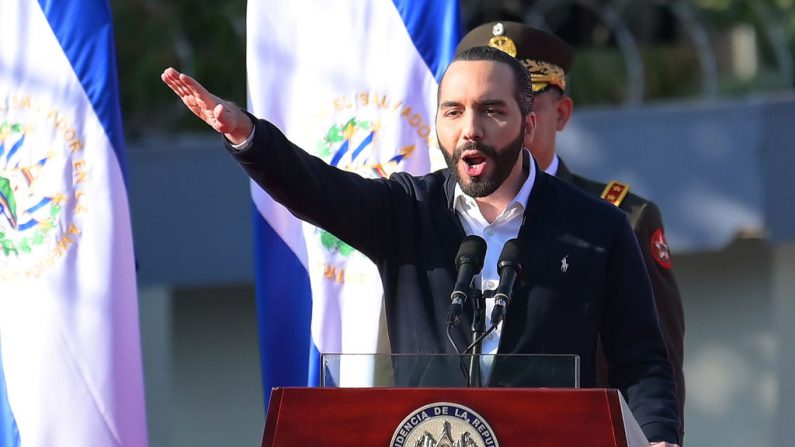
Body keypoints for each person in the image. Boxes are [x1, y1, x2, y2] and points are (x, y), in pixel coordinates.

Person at [161, 45, 680, 445]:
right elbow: (315, 188)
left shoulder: (598, 227)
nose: (469, 130)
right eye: (452, 112)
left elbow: (642, 360)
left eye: (491, 111)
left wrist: (658, 436)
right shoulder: (407, 211)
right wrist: (248, 136)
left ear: (529, 123)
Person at [456, 21, 686, 441]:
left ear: (558, 114)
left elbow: (655, 366)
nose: (495, 124)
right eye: (484, 106)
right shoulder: (445, 210)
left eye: (518, 104)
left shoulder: (620, 219)